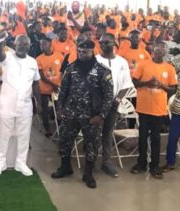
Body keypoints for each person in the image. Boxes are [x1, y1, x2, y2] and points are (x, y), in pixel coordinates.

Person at [51, 39, 114, 189]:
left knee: (91, 145)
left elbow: (108, 96)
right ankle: (65, 167)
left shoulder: (102, 71)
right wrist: (60, 108)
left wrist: (102, 116)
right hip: (71, 113)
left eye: (85, 52)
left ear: (93, 51)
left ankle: (88, 173)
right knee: (65, 141)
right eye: (79, 51)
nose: (81, 54)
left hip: (92, 116)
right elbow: (63, 90)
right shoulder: (71, 68)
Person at [0, 34, 42, 176]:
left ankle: (21, 163)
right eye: (19, 44)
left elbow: (36, 83)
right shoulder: (7, 57)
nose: (22, 46)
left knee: (24, 136)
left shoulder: (33, 62)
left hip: (25, 106)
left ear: (29, 46)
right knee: (4, 134)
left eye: (25, 44)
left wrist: (38, 102)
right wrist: (0, 41)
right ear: (14, 44)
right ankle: (0, 162)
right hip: (7, 104)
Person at [131, 40, 177, 179]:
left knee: (156, 138)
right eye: (158, 49)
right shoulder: (143, 64)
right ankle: (141, 163)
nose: (160, 51)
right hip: (143, 108)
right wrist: (147, 83)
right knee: (142, 137)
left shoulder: (170, 68)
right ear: (153, 50)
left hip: (159, 109)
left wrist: (161, 85)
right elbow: (134, 82)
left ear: (166, 52)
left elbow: (173, 89)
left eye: (163, 49)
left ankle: (155, 166)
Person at [95, 33, 134, 178]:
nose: (103, 45)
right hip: (97, 105)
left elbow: (126, 83)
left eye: (107, 42)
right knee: (93, 133)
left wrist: (117, 99)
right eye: (101, 42)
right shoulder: (95, 61)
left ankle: (106, 161)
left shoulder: (122, 62)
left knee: (108, 133)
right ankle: (90, 160)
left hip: (114, 103)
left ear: (114, 43)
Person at [36, 37, 63, 137]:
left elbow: (62, 71)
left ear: (50, 44)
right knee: (45, 109)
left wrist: (58, 85)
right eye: (40, 45)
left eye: (44, 44)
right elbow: (42, 76)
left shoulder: (59, 56)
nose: (42, 46)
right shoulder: (39, 59)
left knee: (58, 108)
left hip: (57, 89)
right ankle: (47, 129)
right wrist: (53, 85)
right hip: (44, 89)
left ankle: (60, 127)